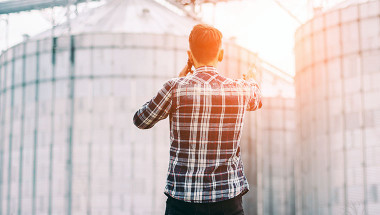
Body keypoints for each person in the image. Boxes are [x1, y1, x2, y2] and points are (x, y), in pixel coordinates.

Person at [133, 24, 262, 215]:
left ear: (190, 55)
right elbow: (256, 99)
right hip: (227, 202)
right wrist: (251, 80)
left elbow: (140, 120)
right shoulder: (241, 89)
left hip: (183, 202)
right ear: (221, 54)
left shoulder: (174, 89)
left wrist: (177, 82)